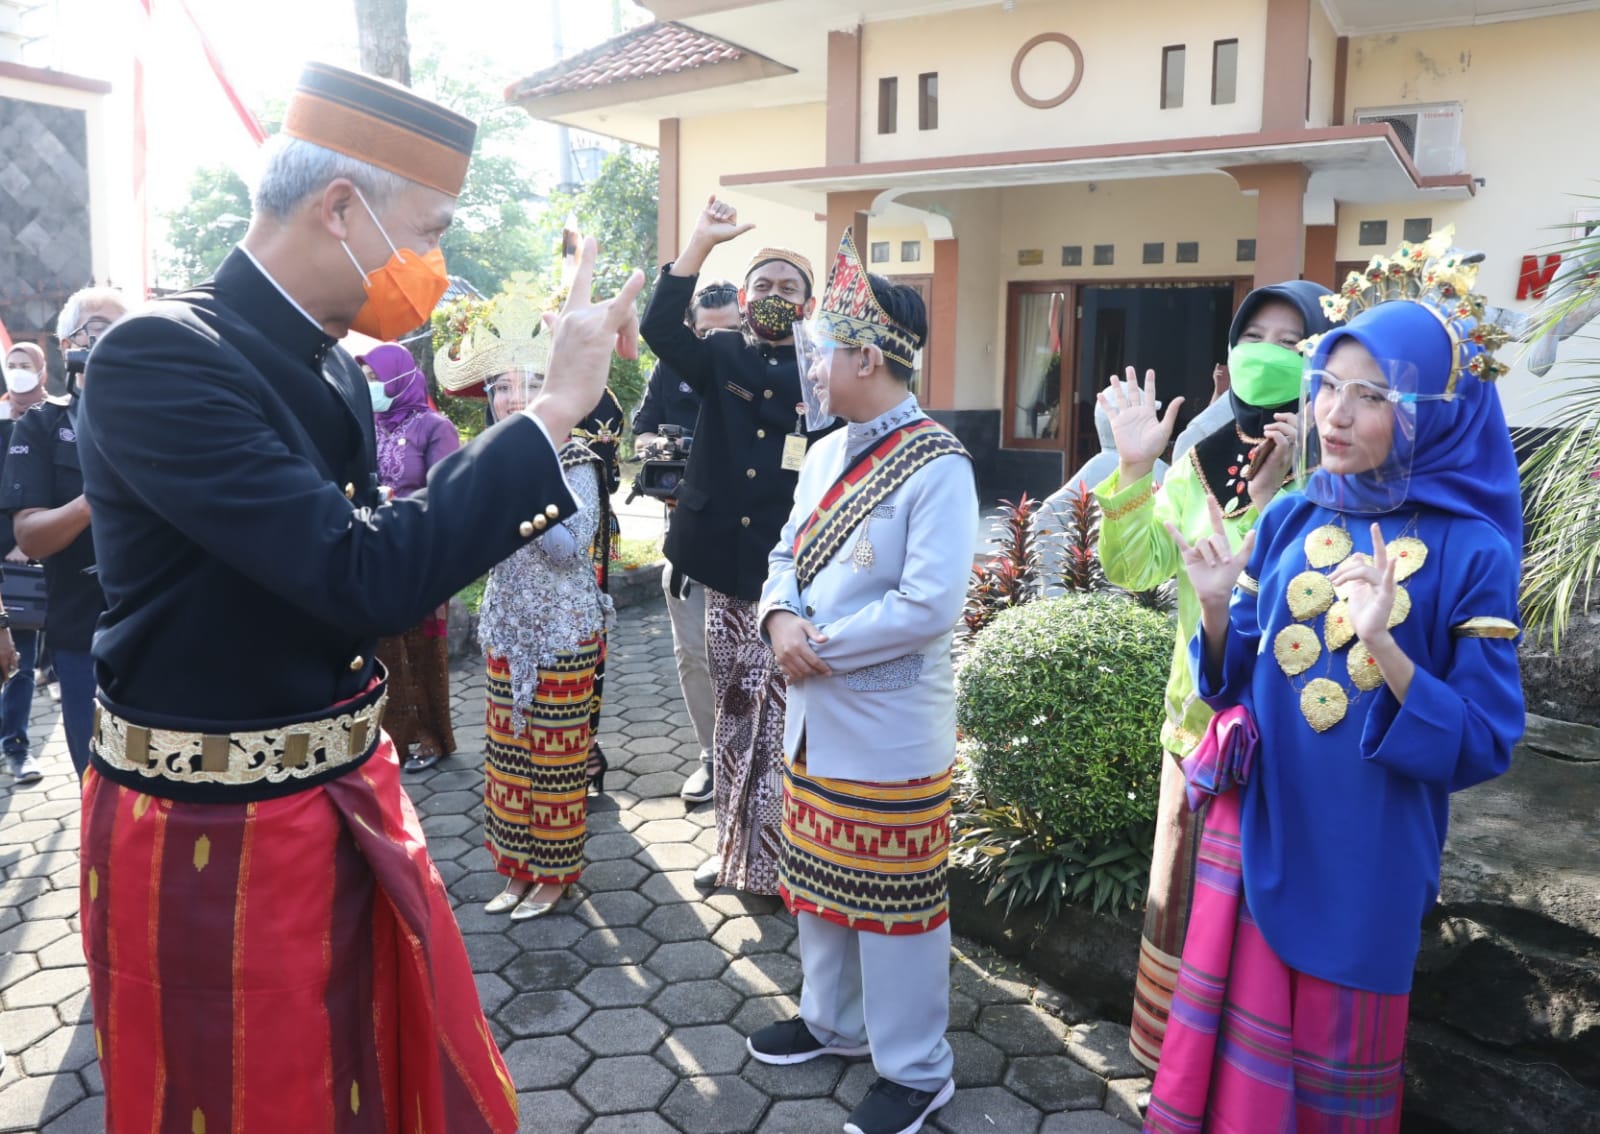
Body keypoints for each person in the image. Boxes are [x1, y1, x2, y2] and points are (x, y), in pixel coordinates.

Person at [74, 62, 642, 1132]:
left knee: (372, 1075)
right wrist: (551, 413)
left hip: (344, 786)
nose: (431, 264)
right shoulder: (161, 357)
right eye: (426, 231)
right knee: (246, 1096)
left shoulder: (333, 366)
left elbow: (374, 553)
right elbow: (364, 574)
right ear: (341, 209)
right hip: (215, 820)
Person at [1144, 232, 1523, 1132]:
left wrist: (1387, 648)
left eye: (1372, 395)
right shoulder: (1289, 517)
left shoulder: (1473, 549)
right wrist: (1208, 609)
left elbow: (1484, 740)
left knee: (1331, 1083)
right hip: (1259, 827)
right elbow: (1232, 675)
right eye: (1328, 388)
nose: (1335, 415)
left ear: (1436, 410)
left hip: (1367, 854)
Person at [746, 230, 977, 1134]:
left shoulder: (940, 464)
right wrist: (776, 618)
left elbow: (929, 605)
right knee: (818, 881)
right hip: (815, 713)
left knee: (898, 906)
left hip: (886, 728)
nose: (813, 367)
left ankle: (919, 1068)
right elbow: (784, 552)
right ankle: (831, 1022)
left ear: (867, 356)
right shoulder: (831, 448)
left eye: (824, 351)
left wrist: (816, 644)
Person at [1094, 280, 1333, 1076]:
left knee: (1265, 936)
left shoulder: (1343, 479)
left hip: (1297, 750)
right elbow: (1137, 568)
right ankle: (1179, 1075)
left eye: (1291, 339)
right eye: (1252, 335)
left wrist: (1285, 490)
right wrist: (1135, 471)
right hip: (1199, 734)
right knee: (1187, 912)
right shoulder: (1199, 466)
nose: (1266, 351)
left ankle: (1249, 1087)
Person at [640, 193, 835, 896]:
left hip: (793, 576)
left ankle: (785, 863)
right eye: (764, 287)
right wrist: (699, 245)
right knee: (733, 713)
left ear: (808, 303)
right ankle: (732, 853)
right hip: (722, 564)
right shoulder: (720, 353)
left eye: (789, 288)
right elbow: (660, 325)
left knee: (786, 723)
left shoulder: (828, 374)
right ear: (746, 299)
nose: (775, 297)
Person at [438, 305, 613, 919]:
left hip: (564, 630)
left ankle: (555, 874)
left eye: (531, 383)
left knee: (558, 758)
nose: (516, 398)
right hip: (507, 626)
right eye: (502, 387)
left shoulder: (576, 460)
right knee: (509, 758)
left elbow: (571, 554)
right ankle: (514, 868)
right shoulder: (485, 454)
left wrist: (528, 485)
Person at [2, 287, 126, 778]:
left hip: (166, 629)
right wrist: (96, 499)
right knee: (98, 777)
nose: (110, 340)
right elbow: (30, 536)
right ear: (68, 342)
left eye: (123, 328)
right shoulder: (42, 425)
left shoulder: (165, 418)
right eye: (96, 328)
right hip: (84, 635)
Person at [632, 279, 740, 804]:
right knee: (694, 655)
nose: (717, 345)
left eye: (730, 334)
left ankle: (760, 761)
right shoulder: (673, 366)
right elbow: (642, 434)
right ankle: (711, 758)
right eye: (707, 335)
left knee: (758, 657)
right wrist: (671, 449)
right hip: (687, 537)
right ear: (692, 332)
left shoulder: (767, 374)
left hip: (758, 543)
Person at [360, 341, 462, 773]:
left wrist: (397, 500)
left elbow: (447, 493)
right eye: (364, 378)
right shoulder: (367, 425)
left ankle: (430, 738)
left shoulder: (434, 427)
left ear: (399, 378)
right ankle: (390, 741)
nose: (369, 386)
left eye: (374, 377)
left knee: (420, 649)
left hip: (419, 551)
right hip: (373, 547)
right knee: (384, 648)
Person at [0, 344, 46, 784]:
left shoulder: (55, 419)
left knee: (20, 658)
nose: (17, 373)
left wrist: (28, 543)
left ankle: (15, 747)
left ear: (41, 370)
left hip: (24, 565)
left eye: (24, 365)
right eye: (10, 366)